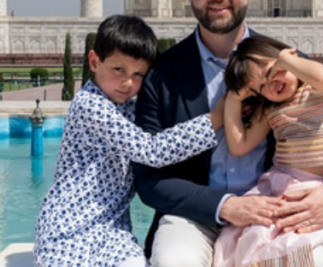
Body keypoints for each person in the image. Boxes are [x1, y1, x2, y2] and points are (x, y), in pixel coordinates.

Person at [133, 0, 323, 267]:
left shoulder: (285, 63)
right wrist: (224, 205)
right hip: (193, 214)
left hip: (274, 208)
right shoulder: (163, 73)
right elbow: (147, 176)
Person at [34, 15, 225, 267]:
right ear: (94, 61)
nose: (128, 83)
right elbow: (151, 150)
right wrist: (215, 118)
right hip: (70, 227)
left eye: (138, 75)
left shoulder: (127, 108)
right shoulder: (90, 105)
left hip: (113, 230)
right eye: (119, 70)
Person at [213, 35, 323, 266]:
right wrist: (234, 100)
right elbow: (239, 145)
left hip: (311, 189)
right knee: (245, 236)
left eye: (270, 72)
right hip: (277, 185)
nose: (271, 85)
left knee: (296, 244)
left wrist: (287, 60)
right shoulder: (271, 110)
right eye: (261, 88)